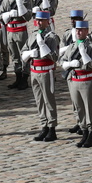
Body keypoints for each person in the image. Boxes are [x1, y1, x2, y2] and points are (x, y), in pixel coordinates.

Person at [59, 19, 92, 147]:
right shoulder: (71, 46)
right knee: (79, 108)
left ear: (87, 31)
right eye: (77, 30)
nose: (78, 32)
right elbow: (62, 61)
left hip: (87, 80)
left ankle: (91, 134)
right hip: (74, 80)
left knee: (89, 109)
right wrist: (69, 64)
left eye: (81, 30)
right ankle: (84, 132)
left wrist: (84, 54)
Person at [22, 10, 60, 142]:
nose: (38, 22)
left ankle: (52, 127)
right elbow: (24, 52)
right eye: (37, 20)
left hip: (46, 71)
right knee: (39, 101)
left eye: (41, 20)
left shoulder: (52, 37)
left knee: (49, 100)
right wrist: (30, 53)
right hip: (34, 71)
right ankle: (44, 125)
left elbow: (55, 57)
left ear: (47, 21)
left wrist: (43, 46)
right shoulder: (33, 35)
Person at [0, 0, 31, 90]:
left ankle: (24, 79)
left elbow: (28, 17)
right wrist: (7, 15)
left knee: (24, 55)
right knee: (14, 56)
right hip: (10, 31)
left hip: (20, 30)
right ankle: (18, 78)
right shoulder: (6, 0)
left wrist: (20, 7)